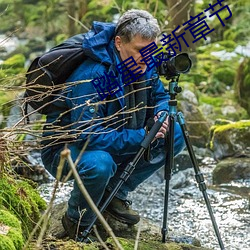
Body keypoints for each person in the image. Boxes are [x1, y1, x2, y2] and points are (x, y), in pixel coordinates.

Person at [41, 9, 185, 241]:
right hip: (67, 150)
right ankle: (76, 221)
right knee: (100, 164)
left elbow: (159, 96)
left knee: (175, 132)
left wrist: (161, 114)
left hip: (117, 136)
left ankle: (115, 193)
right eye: (140, 50)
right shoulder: (92, 75)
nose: (147, 59)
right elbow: (87, 135)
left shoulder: (143, 63)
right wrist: (142, 135)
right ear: (119, 42)